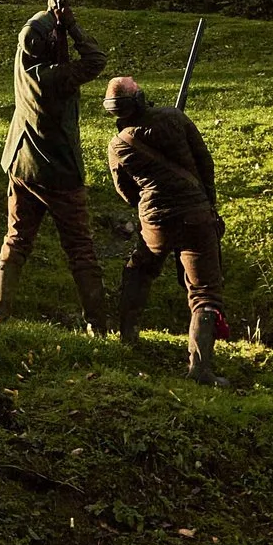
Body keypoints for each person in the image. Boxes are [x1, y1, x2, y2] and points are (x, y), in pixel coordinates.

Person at [0, 0, 113, 329]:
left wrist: (49, 16)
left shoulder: (24, 62)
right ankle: (97, 327)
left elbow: (33, 34)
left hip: (21, 165)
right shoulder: (56, 78)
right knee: (80, 249)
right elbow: (96, 59)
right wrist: (70, 25)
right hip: (59, 172)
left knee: (15, 241)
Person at [104, 74, 226, 377]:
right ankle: (200, 367)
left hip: (155, 222)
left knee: (140, 270)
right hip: (196, 215)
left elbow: (125, 190)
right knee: (205, 293)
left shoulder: (118, 145)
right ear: (139, 100)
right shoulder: (174, 117)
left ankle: (127, 338)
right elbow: (204, 163)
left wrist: (149, 209)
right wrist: (208, 202)